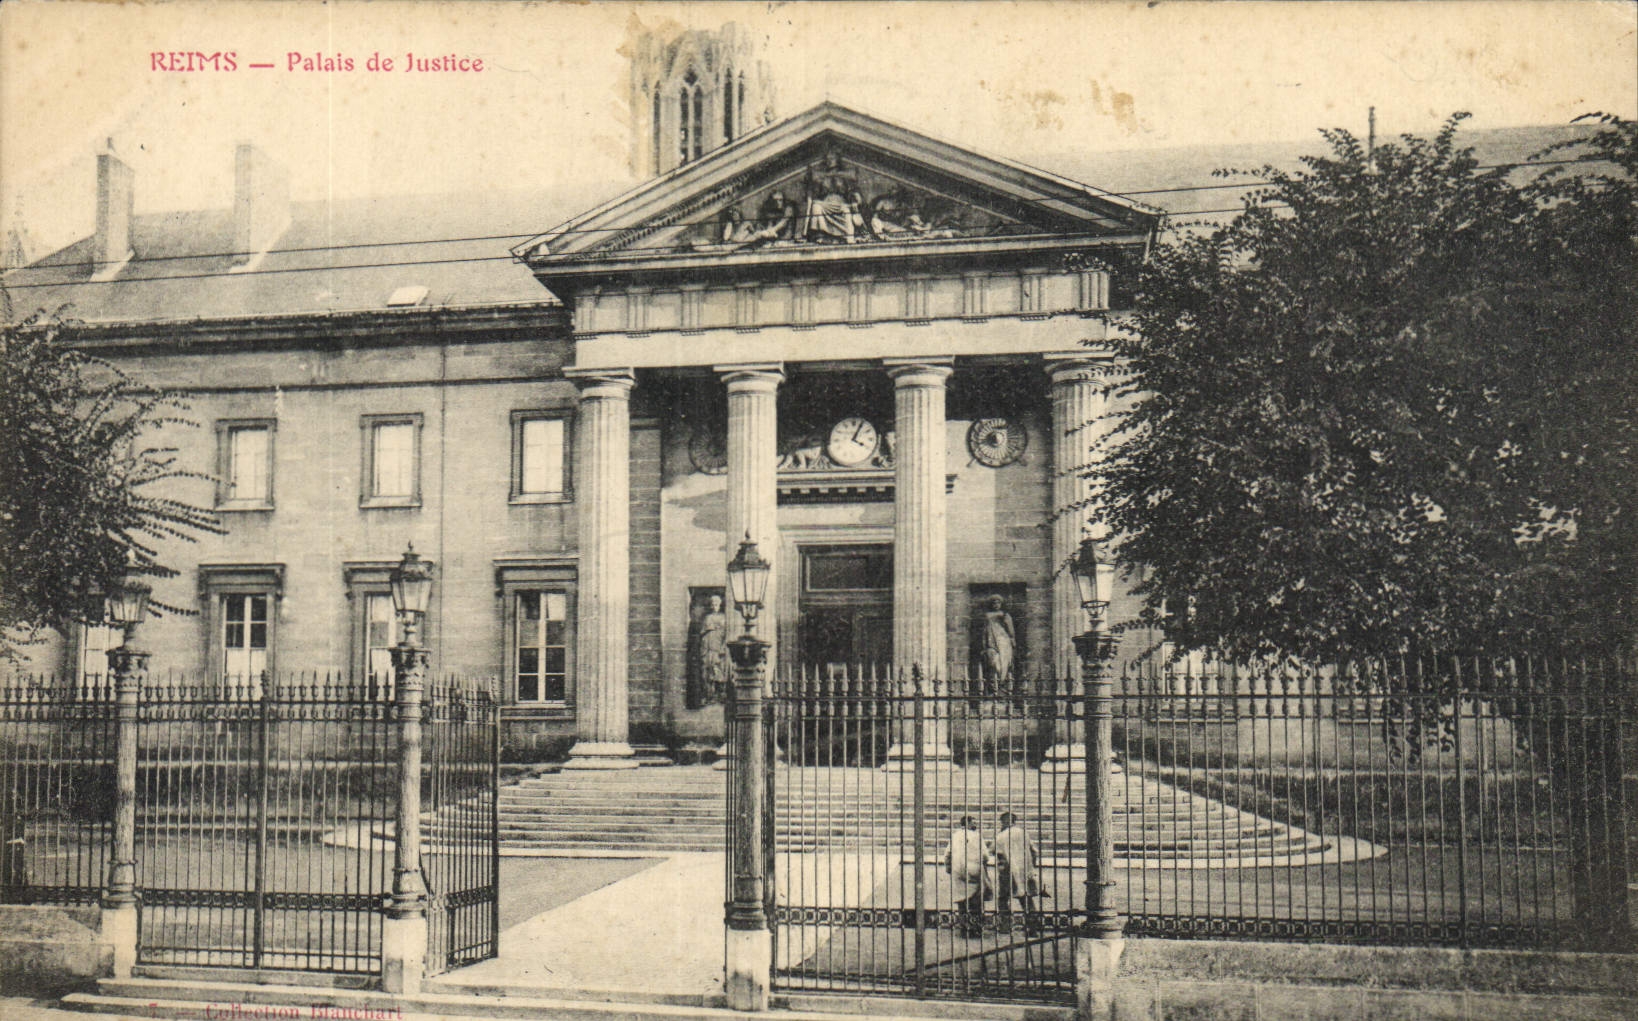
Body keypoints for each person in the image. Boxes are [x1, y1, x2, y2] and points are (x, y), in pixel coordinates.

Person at [942, 814, 991, 938]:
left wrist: (949, 868)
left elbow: (947, 854)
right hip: (974, 870)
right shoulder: (977, 836)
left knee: (962, 901)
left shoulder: (955, 836)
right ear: (968, 824)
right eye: (973, 822)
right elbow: (985, 856)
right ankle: (976, 928)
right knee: (976, 901)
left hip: (958, 870)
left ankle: (964, 928)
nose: (975, 824)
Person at [994, 811, 1040, 934]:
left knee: (1003, 898)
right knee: (1026, 898)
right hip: (1025, 870)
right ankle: (1032, 927)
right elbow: (1034, 851)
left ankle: (1005, 925)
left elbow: (996, 852)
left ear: (1004, 822)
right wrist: (1031, 866)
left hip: (1008, 871)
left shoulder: (1001, 836)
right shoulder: (1024, 833)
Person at [688, 593, 729, 708]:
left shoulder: (724, 618)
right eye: (712, 604)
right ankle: (708, 695)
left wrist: (723, 648)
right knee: (707, 673)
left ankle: (719, 695)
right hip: (708, 649)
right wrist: (708, 630)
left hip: (719, 650)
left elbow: (726, 634)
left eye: (716, 604)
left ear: (720, 604)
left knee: (718, 672)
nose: (714, 606)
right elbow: (702, 634)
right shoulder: (707, 618)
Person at [980, 595, 1015, 689]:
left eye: (998, 602)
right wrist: (984, 644)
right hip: (991, 641)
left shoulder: (1005, 615)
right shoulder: (987, 615)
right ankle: (994, 686)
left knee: (1004, 663)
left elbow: (1010, 629)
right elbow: (984, 630)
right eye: (994, 603)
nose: (996, 605)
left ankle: (1002, 686)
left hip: (1003, 641)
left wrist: (1012, 639)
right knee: (993, 663)